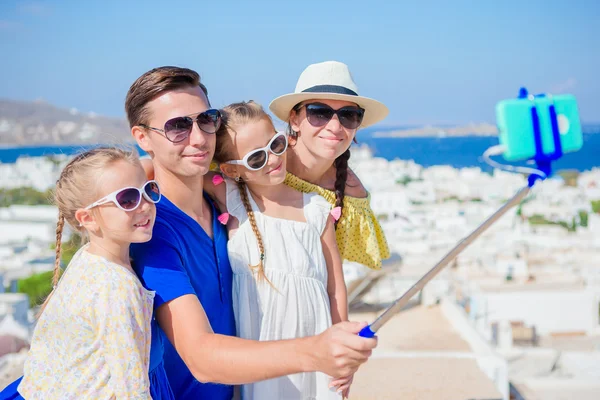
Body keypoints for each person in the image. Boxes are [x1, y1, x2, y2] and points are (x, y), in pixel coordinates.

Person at [128, 66, 377, 400]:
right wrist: (315, 352)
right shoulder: (153, 232)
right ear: (143, 137)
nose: (200, 137)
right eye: (177, 126)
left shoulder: (219, 204)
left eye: (207, 119)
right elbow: (201, 358)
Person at [203, 101, 351, 399]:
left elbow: (335, 288)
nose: (272, 158)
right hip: (260, 348)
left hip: (316, 344)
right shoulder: (231, 198)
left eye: (276, 144)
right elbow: (164, 170)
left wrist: (343, 355)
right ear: (233, 169)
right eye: (257, 158)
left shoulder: (316, 209)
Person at [0, 147, 173, 399]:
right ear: (88, 218)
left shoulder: (88, 258)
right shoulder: (116, 286)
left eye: (149, 190)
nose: (145, 205)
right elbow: (131, 387)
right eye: (127, 199)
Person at [269, 60, 391, 270]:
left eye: (348, 115)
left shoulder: (351, 197)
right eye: (319, 113)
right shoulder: (263, 163)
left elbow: (335, 273)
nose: (335, 127)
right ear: (294, 120)